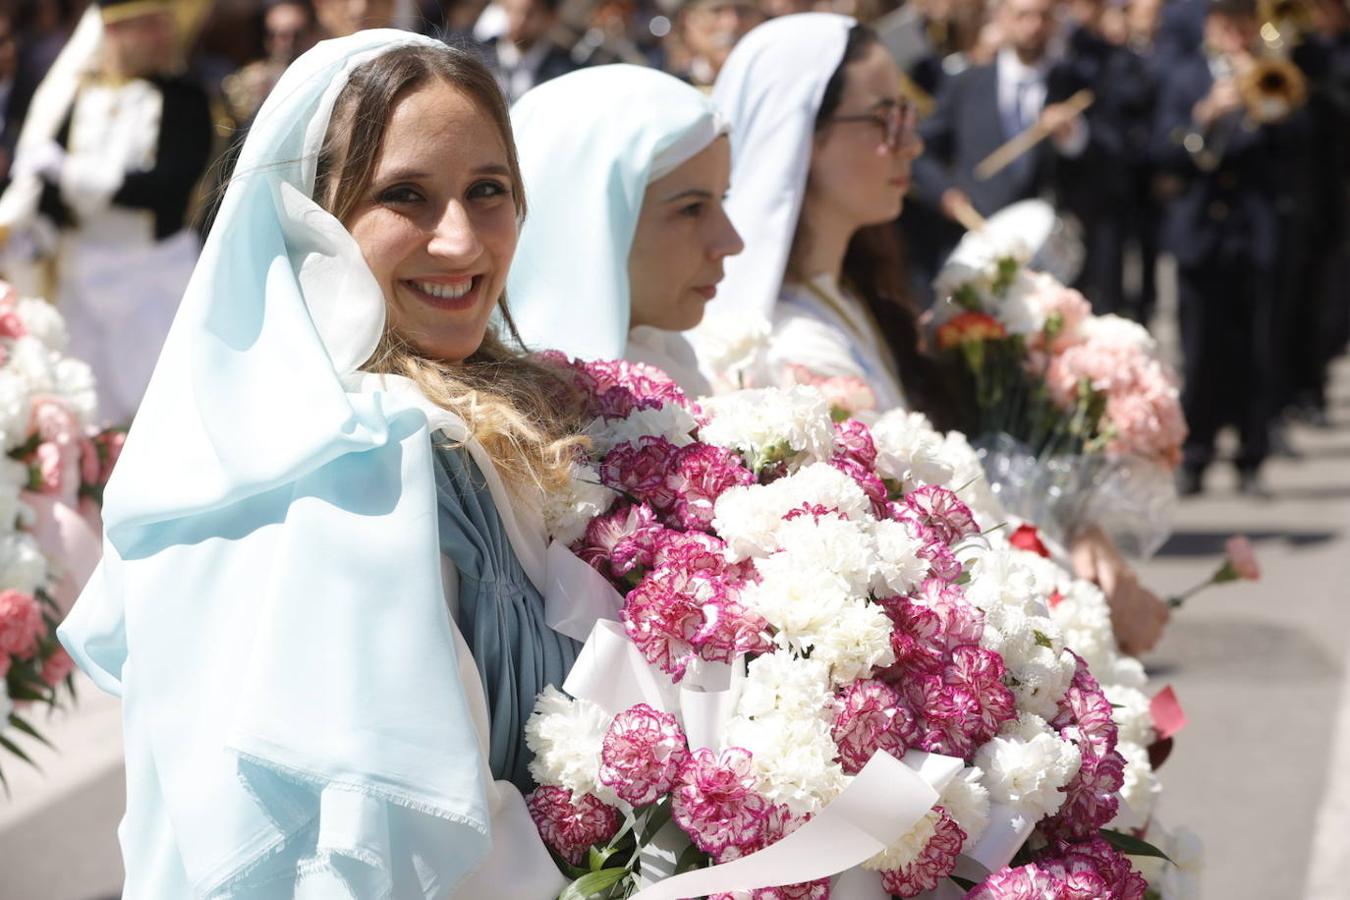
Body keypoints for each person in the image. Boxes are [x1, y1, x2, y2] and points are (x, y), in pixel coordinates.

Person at [57, 31, 589, 898]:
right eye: (404, 196)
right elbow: (376, 850)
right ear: (311, 214)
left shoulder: (472, 417)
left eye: (487, 190)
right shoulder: (344, 469)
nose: (458, 241)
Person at [700, 12, 1168, 655]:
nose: (913, 145)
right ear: (799, 134)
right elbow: (916, 555)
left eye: (910, 118)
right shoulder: (779, 341)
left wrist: (1076, 532)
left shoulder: (849, 296)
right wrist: (1081, 601)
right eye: (886, 121)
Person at [0, 0, 212, 426]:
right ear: (115, 32)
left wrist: (72, 173)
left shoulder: (184, 99)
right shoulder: (78, 95)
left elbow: (168, 185)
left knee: (158, 403)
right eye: (148, 26)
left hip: (155, 274)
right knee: (88, 403)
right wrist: (39, 225)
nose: (163, 36)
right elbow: (46, 183)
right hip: (81, 274)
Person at [507, 64, 743, 390]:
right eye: (691, 209)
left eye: (723, 198)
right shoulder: (554, 418)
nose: (731, 242)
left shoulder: (668, 357)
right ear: (588, 218)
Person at [1152, 0, 1284, 497]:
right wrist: (1205, 115)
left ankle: (1252, 456)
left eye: (1242, 25)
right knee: (1199, 349)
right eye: (1225, 25)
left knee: (1255, 347)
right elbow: (1161, 151)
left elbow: (1298, 143)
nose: (1234, 35)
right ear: (1210, 27)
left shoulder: (1271, 75)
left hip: (1253, 232)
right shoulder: (1186, 78)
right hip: (1200, 233)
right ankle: (1197, 453)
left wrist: (1261, 101)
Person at [911, 0, 1093, 248]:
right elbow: (921, 149)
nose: (1033, 26)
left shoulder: (1075, 82)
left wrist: (1072, 135)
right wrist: (945, 194)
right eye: (1023, 16)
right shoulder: (965, 83)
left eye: (1043, 16)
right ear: (1001, 17)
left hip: (1048, 241)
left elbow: (1104, 160)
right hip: (978, 237)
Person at [221, 0, 319, 126]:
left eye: (297, 34)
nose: (288, 43)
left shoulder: (327, 76)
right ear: (266, 39)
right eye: (277, 35)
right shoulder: (246, 82)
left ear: (313, 34)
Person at [478, 0, 577, 102]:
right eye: (512, 11)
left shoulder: (565, 72)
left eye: (530, 14)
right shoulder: (477, 57)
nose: (518, 21)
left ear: (550, 18)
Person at [668, 0, 764, 88]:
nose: (732, 24)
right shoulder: (672, 88)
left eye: (743, 11)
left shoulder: (770, 85)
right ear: (687, 19)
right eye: (716, 11)